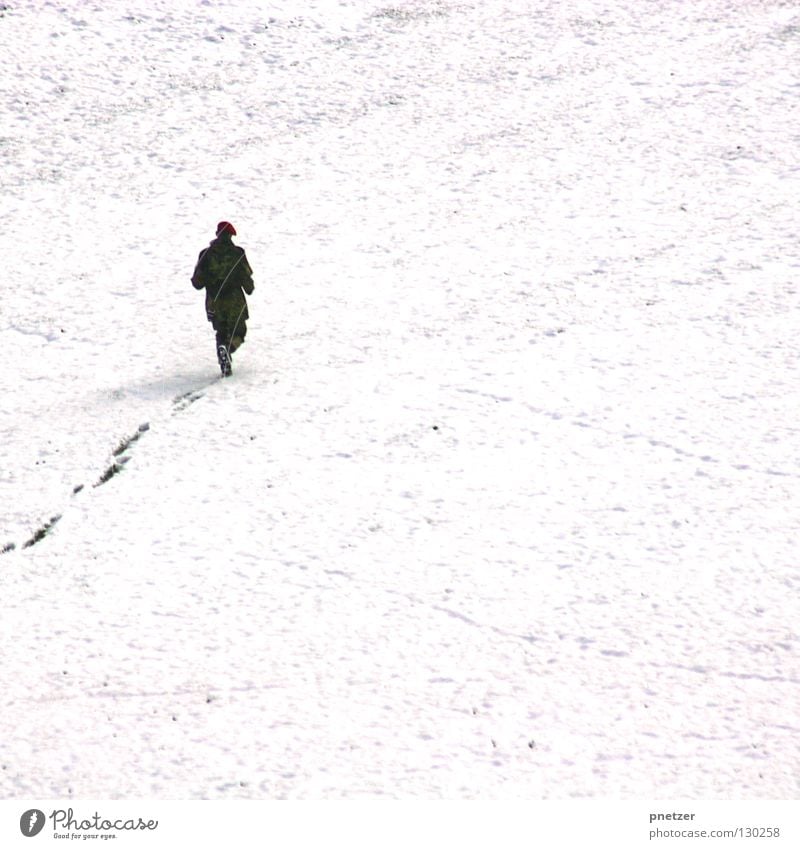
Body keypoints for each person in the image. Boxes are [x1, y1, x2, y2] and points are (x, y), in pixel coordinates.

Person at [191, 221, 254, 377]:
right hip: (235, 302)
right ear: (231, 235)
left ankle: (223, 354)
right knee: (239, 331)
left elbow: (197, 283)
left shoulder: (205, 254)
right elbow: (246, 277)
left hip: (214, 302)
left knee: (221, 330)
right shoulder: (238, 253)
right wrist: (249, 287)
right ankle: (228, 348)